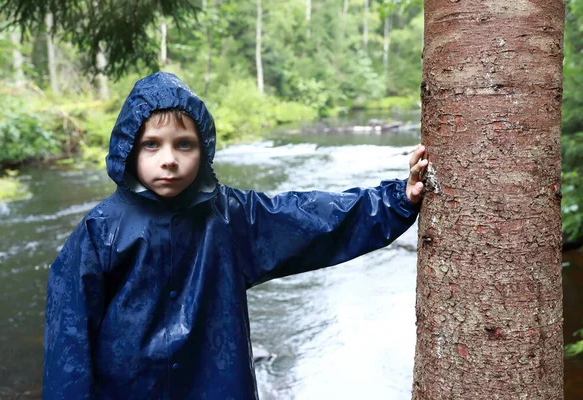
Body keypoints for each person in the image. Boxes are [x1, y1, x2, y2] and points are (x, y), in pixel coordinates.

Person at [43, 71, 428, 399]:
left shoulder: (230, 218)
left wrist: (397, 198)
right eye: (151, 145)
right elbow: (68, 342)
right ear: (129, 150)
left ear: (203, 149)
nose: (169, 159)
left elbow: (312, 218)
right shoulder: (100, 232)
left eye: (184, 144)